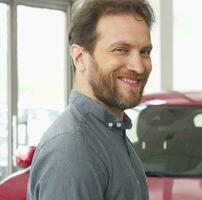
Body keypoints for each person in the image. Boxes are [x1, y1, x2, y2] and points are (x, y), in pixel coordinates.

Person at [27, 0, 154, 199]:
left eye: (145, 52)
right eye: (121, 49)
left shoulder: (110, 131)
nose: (138, 67)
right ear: (80, 57)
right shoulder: (73, 148)